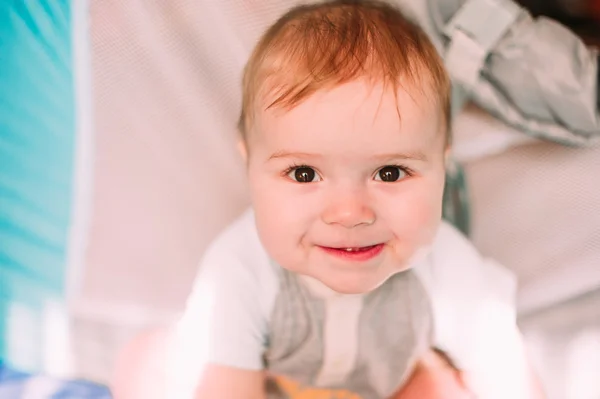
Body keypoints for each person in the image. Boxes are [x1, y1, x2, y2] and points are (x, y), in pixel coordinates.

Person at [113, 1, 545, 398]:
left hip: (387, 388)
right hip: (269, 387)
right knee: (146, 362)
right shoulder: (239, 268)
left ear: (441, 165)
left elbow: (505, 373)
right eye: (304, 174)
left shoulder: (446, 267)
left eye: (390, 173)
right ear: (250, 165)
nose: (350, 213)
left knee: (443, 387)